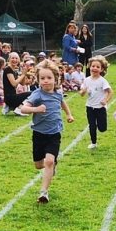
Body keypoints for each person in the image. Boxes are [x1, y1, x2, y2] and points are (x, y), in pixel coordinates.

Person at [18, 62, 74, 203]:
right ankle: (51, 165)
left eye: (49, 77)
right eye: (42, 78)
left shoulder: (58, 93)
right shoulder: (37, 95)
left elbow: (62, 103)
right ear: (38, 79)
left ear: (56, 79)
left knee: (49, 161)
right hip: (39, 134)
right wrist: (37, 109)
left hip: (54, 134)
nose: (46, 81)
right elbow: (23, 109)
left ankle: (43, 193)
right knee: (38, 165)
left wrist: (69, 114)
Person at [81, 56, 112, 149]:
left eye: (97, 67)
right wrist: (83, 91)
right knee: (92, 125)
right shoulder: (86, 80)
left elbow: (110, 92)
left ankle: (101, 124)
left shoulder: (102, 81)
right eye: (93, 66)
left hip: (100, 108)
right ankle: (93, 143)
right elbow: (81, 93)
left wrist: (105, 100)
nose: (95, 68)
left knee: (102, 128)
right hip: (90, 107)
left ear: (102, 69)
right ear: (89, 67)